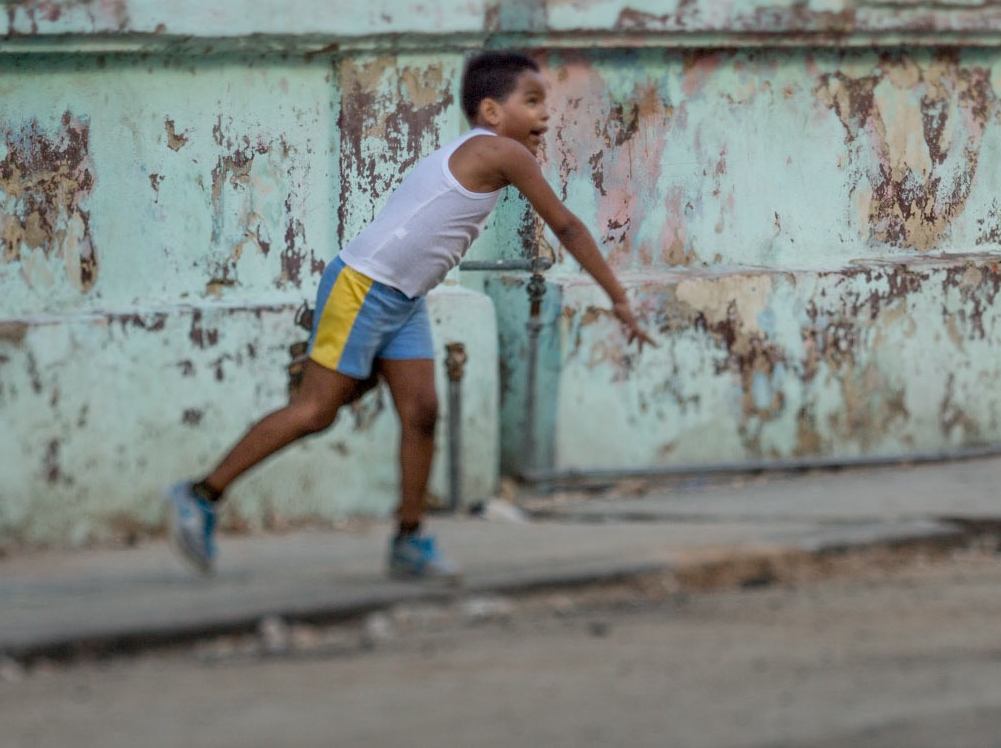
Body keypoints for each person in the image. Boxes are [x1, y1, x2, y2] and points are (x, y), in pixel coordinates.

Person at [164, 50, 655, 580]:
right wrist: (618, 297)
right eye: (531, 101)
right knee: (315, 411)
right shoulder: (502, 153)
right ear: (491, 112)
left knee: (421, 412)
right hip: (364, 286)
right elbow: (568, 227)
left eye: (545, 103)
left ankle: (409, 538)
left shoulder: (488, 151)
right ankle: (200, 495)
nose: (545, 115)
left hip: (404, 297)